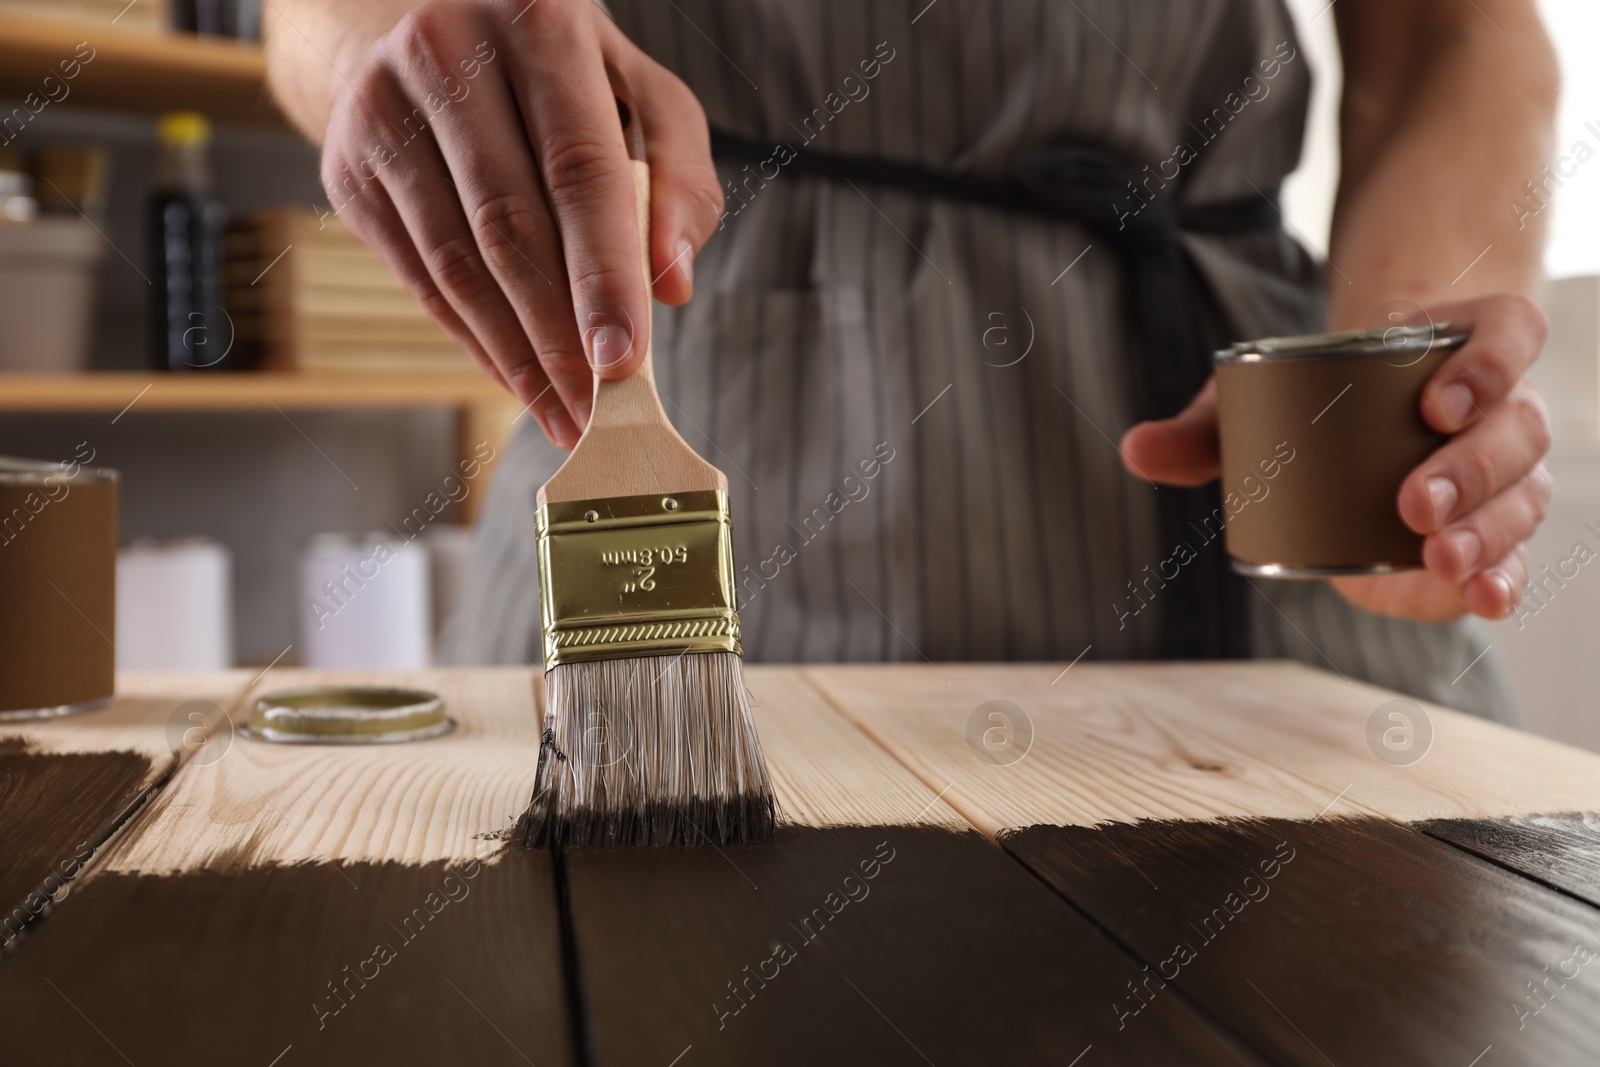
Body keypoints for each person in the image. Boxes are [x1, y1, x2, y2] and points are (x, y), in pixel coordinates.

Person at [265, 0, 1557, 720]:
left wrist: (1402, 367)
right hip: (692, 390)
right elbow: (332, 16)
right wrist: (397, 46)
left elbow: (1458, 32)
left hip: (1271, 535)